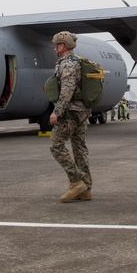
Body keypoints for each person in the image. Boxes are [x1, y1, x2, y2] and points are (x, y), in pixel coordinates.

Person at [48, 31, 92, 202]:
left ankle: (76, 181)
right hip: (82, 111)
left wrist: (57, 111)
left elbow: (67, 89)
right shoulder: (78, 61)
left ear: (62, 45)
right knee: (80, 148)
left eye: (57, 45)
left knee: (56, 146)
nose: (55, 48)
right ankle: (86, 189)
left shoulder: (66, 64)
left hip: (70, 112)